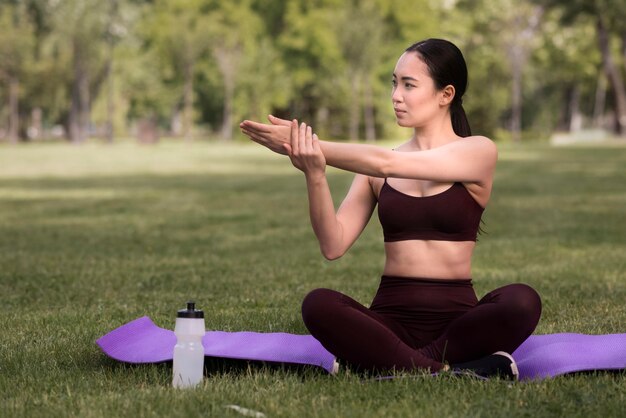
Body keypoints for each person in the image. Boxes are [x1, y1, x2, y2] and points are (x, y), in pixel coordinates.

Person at [240, 38, 541, 379]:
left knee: (522, 300)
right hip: (389, 321)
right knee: (318, 304)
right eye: (394, 83)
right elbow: (333, 245)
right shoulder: (376, 169)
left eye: (409, 85)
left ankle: (393, 363)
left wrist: (309, 143)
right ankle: (445, 370)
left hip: (457, 324)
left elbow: (384, 163)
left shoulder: (478, 151)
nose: (396, 95)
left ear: (446, 94)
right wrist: (315, 172)